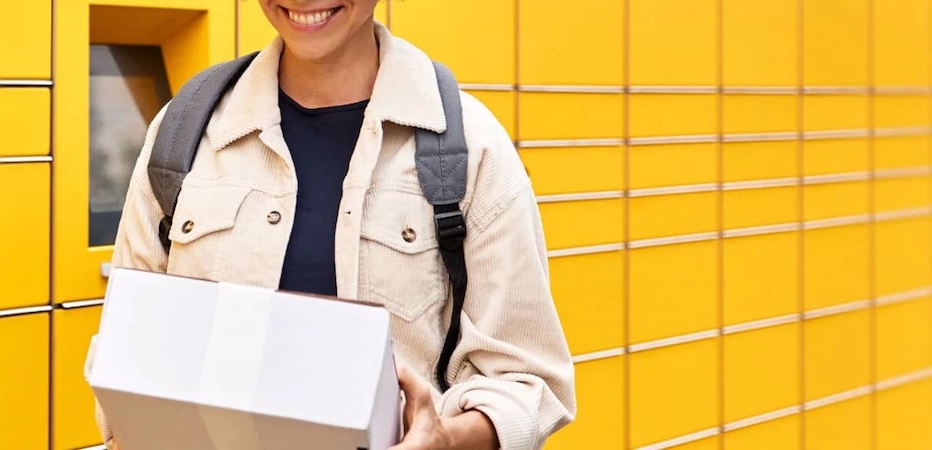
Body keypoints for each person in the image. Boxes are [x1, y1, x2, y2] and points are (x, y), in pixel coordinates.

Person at [91, 1, 576, 449]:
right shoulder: (183, 132)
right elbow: (128, 343)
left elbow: (526, 382)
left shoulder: (471, 149)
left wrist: (448, 438)